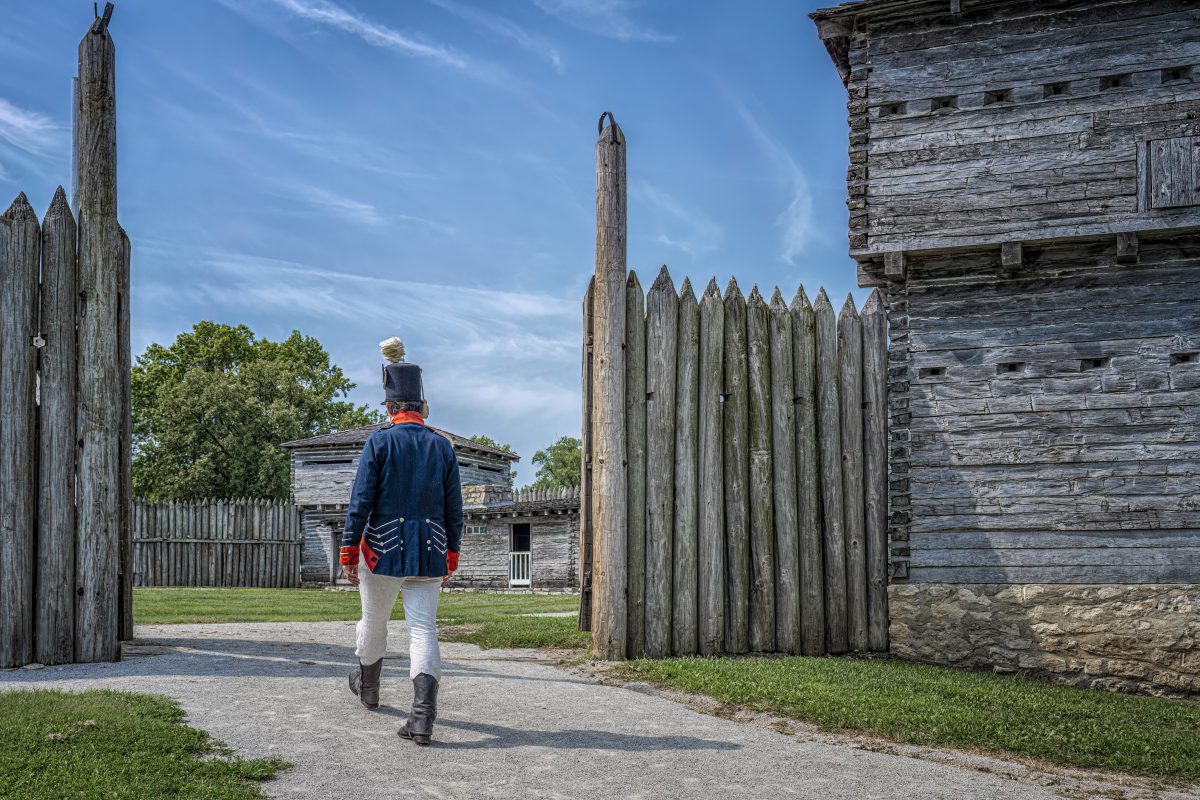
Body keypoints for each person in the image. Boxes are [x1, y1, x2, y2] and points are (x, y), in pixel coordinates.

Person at [341, 338, 463, 746]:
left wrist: (349, 549)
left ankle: (369, 689)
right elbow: (454, 510)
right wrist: (451, 555)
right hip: (430, 551)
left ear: (391, 407)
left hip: (382, 550)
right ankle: (422, 718)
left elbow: (360, 502)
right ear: (422, 407)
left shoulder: (379, 442)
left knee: (373, 622)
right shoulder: (442, 446)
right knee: (423, 631)